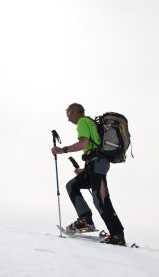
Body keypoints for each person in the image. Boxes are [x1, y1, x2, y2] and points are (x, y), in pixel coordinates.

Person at [51, 103, 126, 246]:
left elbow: (84, 144)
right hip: (95, 164)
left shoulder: (83, 121)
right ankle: (86, 220)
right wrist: (86, 170)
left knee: (101, 199)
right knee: (72, 185)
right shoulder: (90, 122)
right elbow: (93, 146)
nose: (68, 119)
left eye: (69, 115)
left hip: (98, 164)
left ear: (75, 112)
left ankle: (118, 236)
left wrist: (63, 150)